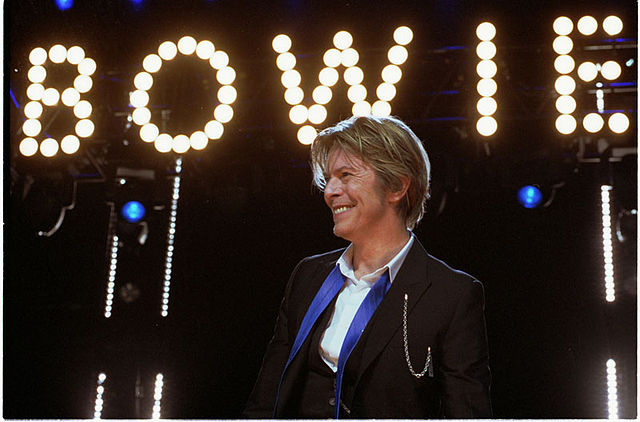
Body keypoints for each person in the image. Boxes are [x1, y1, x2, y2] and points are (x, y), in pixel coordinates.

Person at [243, 115, 491, 419]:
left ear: (397, 186)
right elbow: (265, 402)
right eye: (328, 178)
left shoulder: (451, 295)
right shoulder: (308, 275)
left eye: (345, 175)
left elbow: (467, 417)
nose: (329, 191)